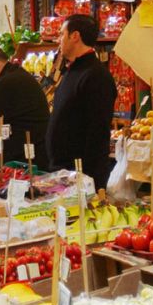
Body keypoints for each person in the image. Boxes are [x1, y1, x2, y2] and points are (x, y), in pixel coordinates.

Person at [46, 14, 118, 181]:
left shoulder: (96, 76)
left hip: (81, 175)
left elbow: (97, 131)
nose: (58, 39)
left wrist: (86, 177)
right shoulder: (73, 71)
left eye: (62, 34)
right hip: (63, 170)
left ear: (75, 36)